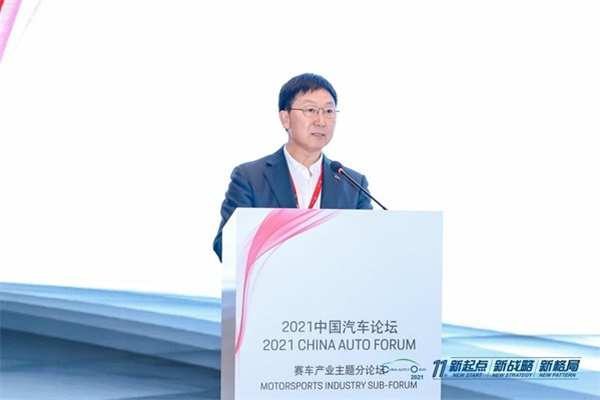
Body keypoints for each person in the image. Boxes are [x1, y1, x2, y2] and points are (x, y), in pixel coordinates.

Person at [213, 73, 373, 261]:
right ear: (285, 118)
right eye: (311, 110)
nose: (321, 121)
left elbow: (368, 247)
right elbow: (225, 246)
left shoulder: (353, 184)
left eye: (329, 111)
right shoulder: (250, 178)